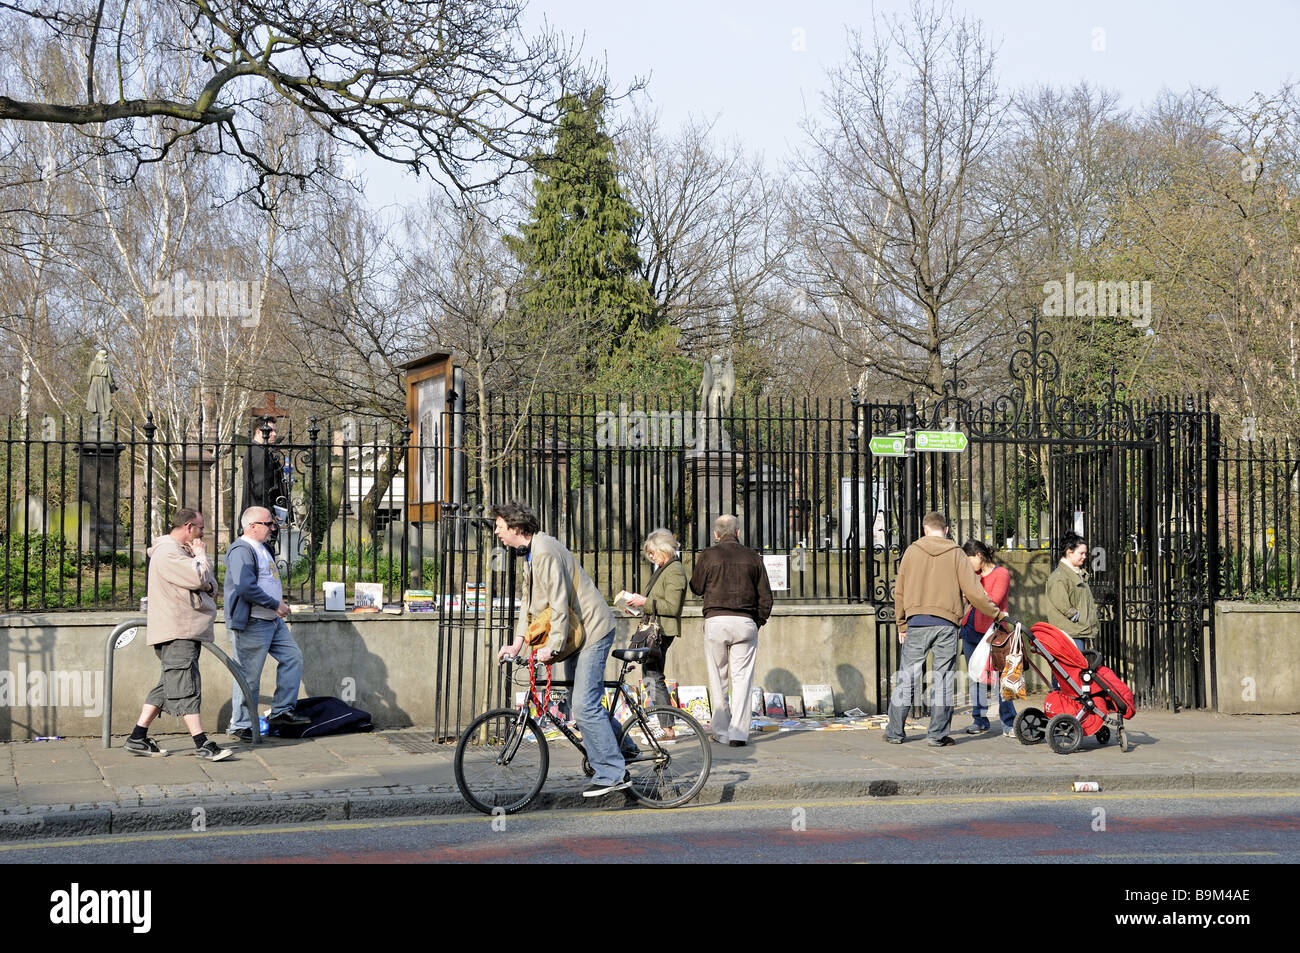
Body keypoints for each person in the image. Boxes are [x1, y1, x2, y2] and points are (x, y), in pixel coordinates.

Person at [492, 501, 629, 798]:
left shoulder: (545, 552)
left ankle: (612, 771)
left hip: (592, 630)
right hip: (575, 634)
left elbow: (558, 604)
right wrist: (517, 643)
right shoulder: (531, 554)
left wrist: (551, 649)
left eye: (500, 527)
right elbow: (528, 606)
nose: (497, 532)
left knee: (583, 704)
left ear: (516, 528)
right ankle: (625, 746)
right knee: (582, 704)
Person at [885, 512, 1008, 747]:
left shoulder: (911, 551)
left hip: (917, 622)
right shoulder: (956, 554)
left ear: (924, 529)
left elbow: (899, 591)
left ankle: (894, 732)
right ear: (947, 530)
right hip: (946, 624)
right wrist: (997, 614)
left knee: (907, 678)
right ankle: (937, 735)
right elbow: (974, 592)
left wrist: (901, 623)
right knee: (942, 679)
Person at [126, 509, 232, 762]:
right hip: (178, 629)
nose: (203, 533)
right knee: (187, 686)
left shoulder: (179, 553)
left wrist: (205, 580)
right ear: (188, 527)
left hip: (184, 628)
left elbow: (211, 584)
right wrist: (201, 557)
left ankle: (137, 737)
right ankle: (202, 743)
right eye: (201, 528)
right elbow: (200, 577)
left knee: (168, 684)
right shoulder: (169, 553)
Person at [224, 506, 310, 742]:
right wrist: (274, 604)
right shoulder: (241, 549)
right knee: (249, 676)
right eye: (268, 524)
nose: (273, 528)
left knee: (293, 657)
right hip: (253, 621)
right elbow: (245, 586)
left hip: (271, 621)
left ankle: (282, 711)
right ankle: (240, 724)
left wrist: (276, 602)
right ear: (252, 526)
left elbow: (264, 580)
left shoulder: (262, 548)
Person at [689, 514, 773, 748]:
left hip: (716, 620)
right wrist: (758, 621)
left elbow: (695, 587)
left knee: (718, 678)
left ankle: (721, 731)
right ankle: (738, 734)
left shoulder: (709, 555)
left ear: (716, 534)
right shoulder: (752, 556)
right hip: (745, 621)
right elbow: (765, 595)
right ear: (738, 533)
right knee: (743, 679)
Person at [624, 529, 687, 740]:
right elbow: (656, 603)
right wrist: (637, 607)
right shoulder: (664, 569)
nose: (651, 557)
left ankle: (667, 728)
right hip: (654, 628)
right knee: (650, 676)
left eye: (653, 553)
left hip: (662, 632)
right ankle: (664, 723)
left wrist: (645, 602)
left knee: (654, 677)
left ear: (664, 550)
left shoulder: (674, 570)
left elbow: (672, 606)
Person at [959, 539, 1015, 737]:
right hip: (970, 628)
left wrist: (972, 591)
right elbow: (968, 598)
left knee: (1000, 678)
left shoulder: (1001, 574)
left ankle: (1009, 722)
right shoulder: (973, 575)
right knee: (975, 677)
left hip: (994, 632)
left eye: (969, 560)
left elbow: (993, 601)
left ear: (979, 556)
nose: (968, 565)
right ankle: (979, 719)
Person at [1045, 531, 1100, 687]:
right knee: (1068, 675)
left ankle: (1068, 706)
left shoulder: (1074, 574)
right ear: (1069, 552)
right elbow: (1061, 602)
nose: (1084, 556)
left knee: (1072, 674)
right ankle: (1062, 706)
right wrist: (1074, 614)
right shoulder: (1060, 577)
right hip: (1069, 633)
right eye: (1081, 553)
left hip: (1076, 631)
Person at [242, 419, 291, 551]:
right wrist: (271, 515)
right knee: (262, 556)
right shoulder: (258, 453)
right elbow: (259, 489)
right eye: (270, 431)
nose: (274, 434)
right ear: (259, 432)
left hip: (261, 517)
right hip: (260, 519)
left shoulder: (261, 452)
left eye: (275, 430)